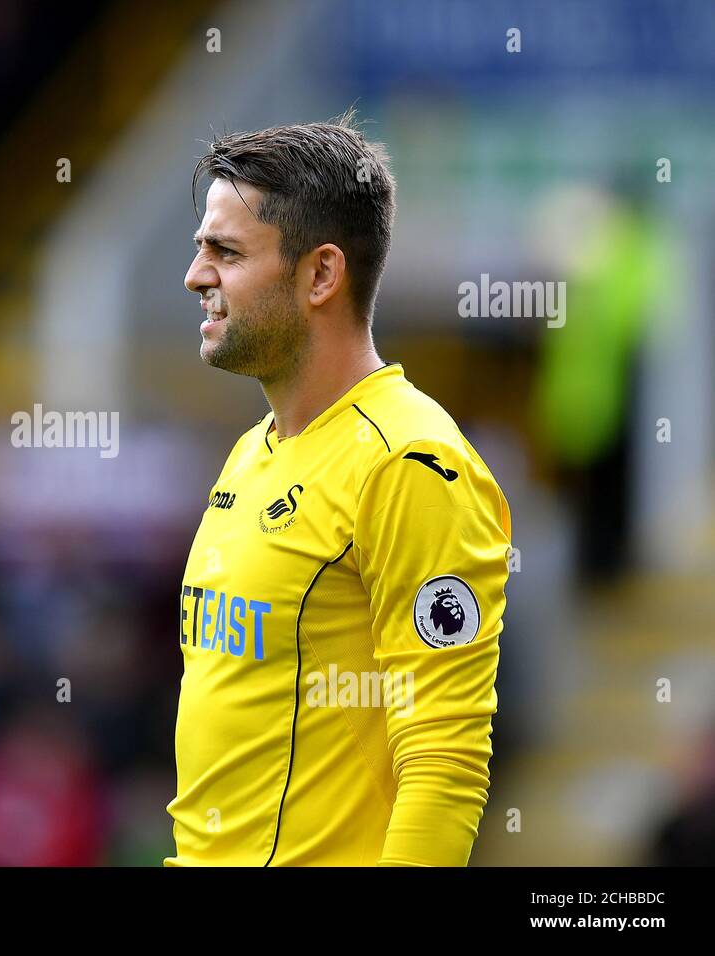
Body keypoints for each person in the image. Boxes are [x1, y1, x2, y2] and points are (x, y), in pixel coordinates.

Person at [166, 113, 512, 866]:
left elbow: (444, 759)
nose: (196, 275)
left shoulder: (411, 464)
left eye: (225, 251)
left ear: (321, 274)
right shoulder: (249, 457)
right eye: (201, 249)